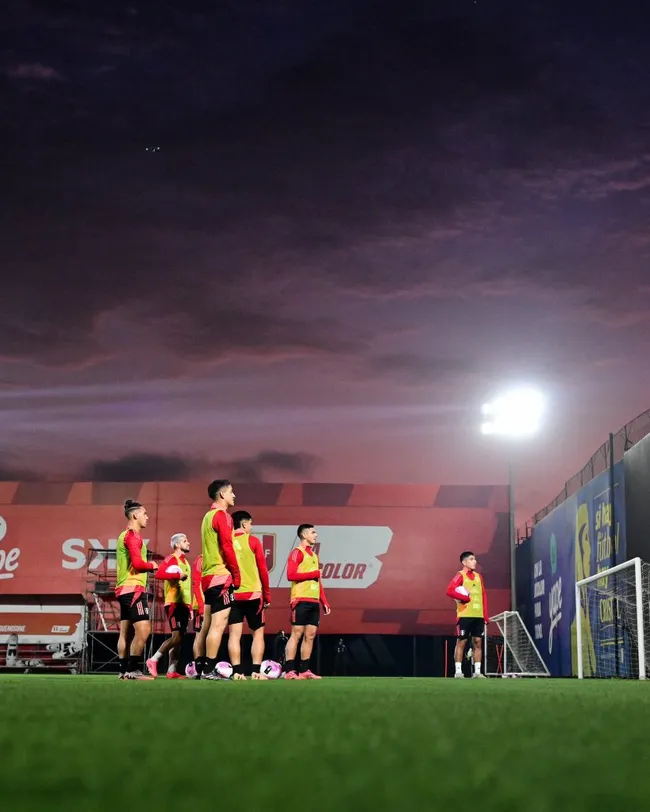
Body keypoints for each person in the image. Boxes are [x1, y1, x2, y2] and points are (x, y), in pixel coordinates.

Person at [200, 479, 241, 680]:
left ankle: (205, 668)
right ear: (222, 495)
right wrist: (236, 574)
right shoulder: (222, 516)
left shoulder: (207, 516)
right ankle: (209, 670)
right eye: (232, 492)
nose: (234, 495)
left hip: (208, 577)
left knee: (209, 625)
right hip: (220, 576)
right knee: (218, 624)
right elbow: (227, 547)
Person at [116, 499, 158, 680]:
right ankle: (133, 670)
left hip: (123, 589)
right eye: (145, 513)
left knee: (125, 632)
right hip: (133, 589)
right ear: (135, 515)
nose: (147, 517)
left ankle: (123, 671)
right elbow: (138, 564)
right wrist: (152, 565)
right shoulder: (133, 536)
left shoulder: (124, 535)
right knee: (144, 629)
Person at [228, 510, 272, 680]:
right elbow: (263, 570)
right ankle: (255, 671)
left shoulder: (226, 542)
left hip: (233, 596)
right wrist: (267, 595)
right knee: (258, 634)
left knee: (234, 635)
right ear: (244, 524)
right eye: (250, 524)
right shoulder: (252, 541)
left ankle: (238, 672)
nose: (251, 527)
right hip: (253, 595)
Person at [284, 523, 330, 679]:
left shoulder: (314, 556)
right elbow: (291, 575)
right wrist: (314, 573)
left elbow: (318, 581)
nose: (315, 535)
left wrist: (324, 601)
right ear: (304, 535)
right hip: (300, 599)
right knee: (296, 634)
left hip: (313, 601)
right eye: (313, 532)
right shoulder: (297, 553)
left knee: (310, 636)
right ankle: (290, 670)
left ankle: (304, 671)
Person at [146, 533, 192, 679]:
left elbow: (187, 587)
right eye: (185, 541)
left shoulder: (185, 562)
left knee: (179, 639)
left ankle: (172, 670)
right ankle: (153, 659)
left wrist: (190, 607)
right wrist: (177, 576)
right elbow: (159, 573)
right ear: (177, 545)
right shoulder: (172, 558)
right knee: (176, 637)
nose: (188, 543)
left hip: (183, 604)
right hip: (173, 603)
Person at [446, 551, 488, 678]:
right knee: (462, 642)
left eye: (474, 559)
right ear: (464, 562)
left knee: (478, 642)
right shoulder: (460, 575)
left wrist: (485, 615)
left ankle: (478, 672)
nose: (474, 561)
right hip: (465, 614)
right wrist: (464, 598)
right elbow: (449, 590)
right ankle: (458, 672)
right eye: (471, 559)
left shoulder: (478, 577)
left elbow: (483, 596)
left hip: (478, 615)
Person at [184, 552, 209, 679]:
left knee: (210, 636)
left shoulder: (216, 558)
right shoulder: (201, 559)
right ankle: (199, 668)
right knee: (200, 635)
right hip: (202, 604)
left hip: (212, 603)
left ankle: (207, 667)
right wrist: (201, 605)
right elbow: (196, 583)